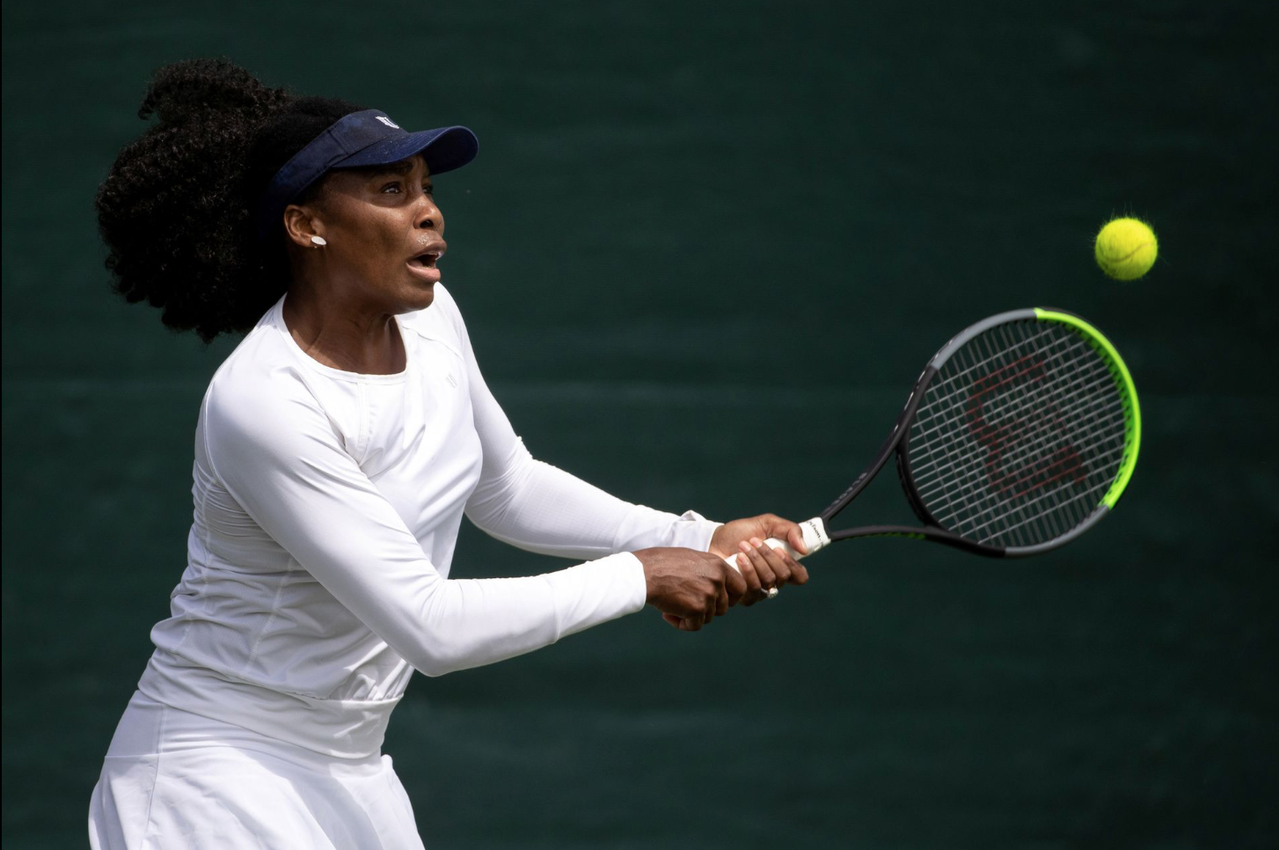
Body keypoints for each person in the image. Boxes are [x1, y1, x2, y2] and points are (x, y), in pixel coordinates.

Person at [87, 58, 812, 849]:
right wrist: (643, 574)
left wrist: (696, 537)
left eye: (426, 187)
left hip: (351, 769)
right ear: (306, 225)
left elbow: (507, 488)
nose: (429, 212)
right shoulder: (265, 402)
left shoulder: (430, 319)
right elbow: (431, 628)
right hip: (211, 779)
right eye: (390, 190)